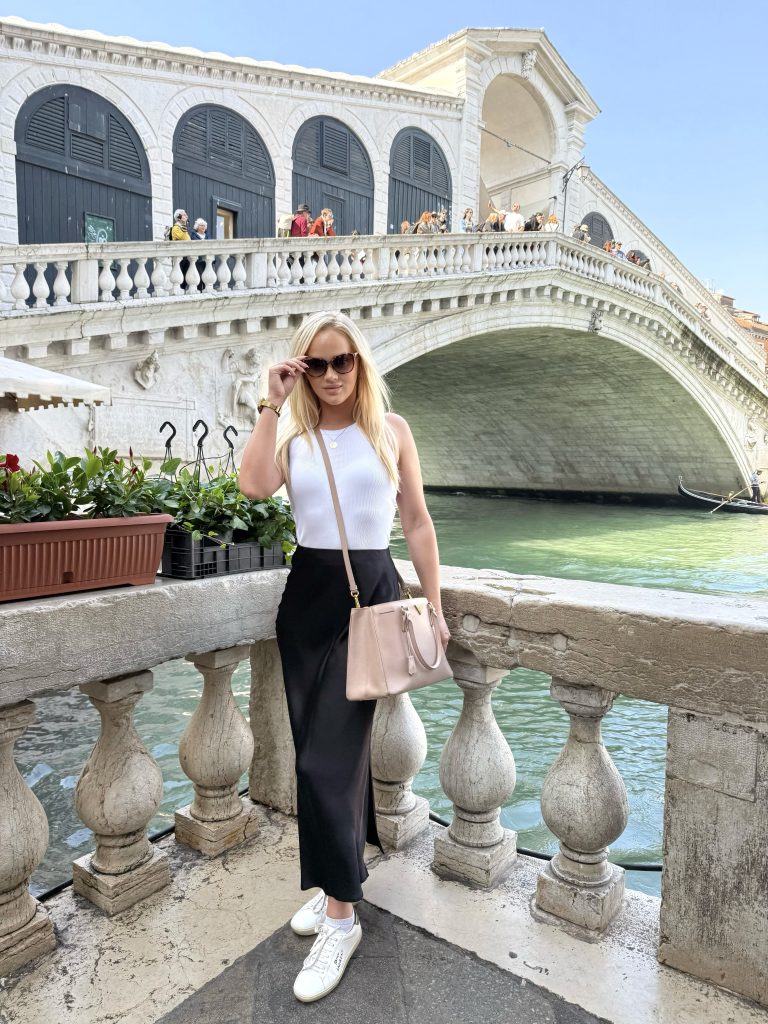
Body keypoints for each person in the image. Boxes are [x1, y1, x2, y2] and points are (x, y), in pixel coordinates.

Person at [239, 311, 450, 1004]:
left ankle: (340, 916)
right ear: (304, 368)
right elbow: (252, 487)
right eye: (318, 365)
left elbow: (416, 521)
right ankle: (340, 881)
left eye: (343, 363)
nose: (332, 376)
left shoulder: (392, 431)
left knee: (325, 760)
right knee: (326, 755)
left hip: (370, 598)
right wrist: (271, 401)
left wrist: (438, 608)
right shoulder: (293, 433)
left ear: (360, 363)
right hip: (307, 601)